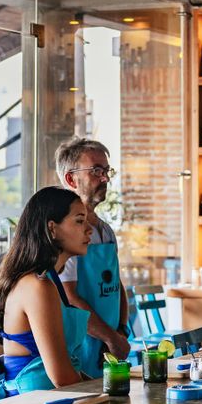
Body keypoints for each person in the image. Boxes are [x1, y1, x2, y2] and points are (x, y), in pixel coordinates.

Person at [0, 187, 91, 396]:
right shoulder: (37, 286)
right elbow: (62, 378)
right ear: (52, 228)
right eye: (79, 221)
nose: (89, 229)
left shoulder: (50, 280)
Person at [55, 137, 130, 378]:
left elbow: (117, 285)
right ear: (70, 179)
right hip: (82, 346)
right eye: (96, 171)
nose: (105, 178)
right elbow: (69, 296)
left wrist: (121, 333)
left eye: (107, 171)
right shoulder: (65, 234)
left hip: (110, 345)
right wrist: (110, 337)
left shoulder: (105, 230)